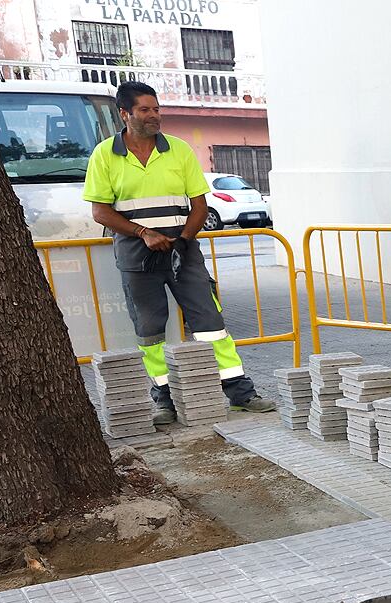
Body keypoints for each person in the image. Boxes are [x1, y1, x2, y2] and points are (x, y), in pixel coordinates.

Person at [83, 81, 273, 425]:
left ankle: (240, 393)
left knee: (210, 322)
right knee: (150, 328)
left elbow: (199, 205)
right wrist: (144, 233)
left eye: (156, 108)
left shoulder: (179, 150)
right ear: (125, 114)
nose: (154, 115)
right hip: (136, 252)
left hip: (182, 249)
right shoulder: (104, 155)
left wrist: (185, 239)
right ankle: (165, 399)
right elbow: (100, 212)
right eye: (145, 110)